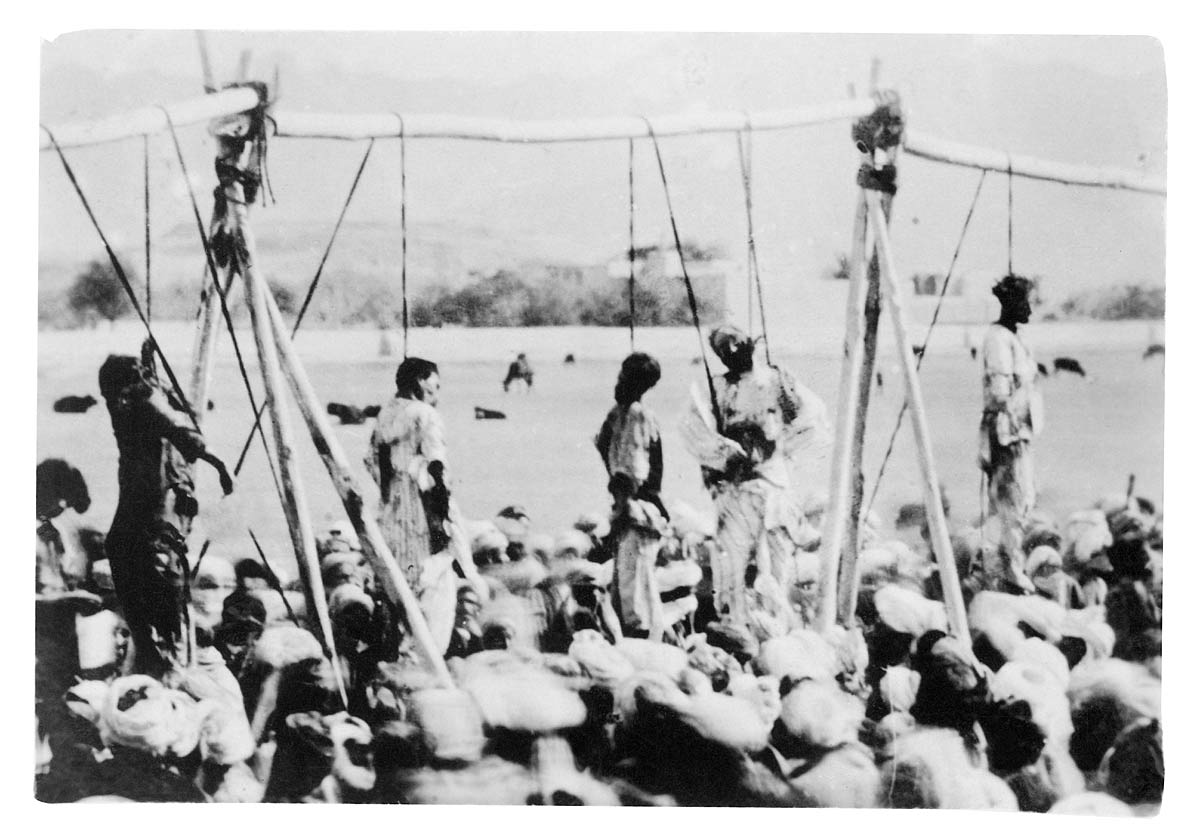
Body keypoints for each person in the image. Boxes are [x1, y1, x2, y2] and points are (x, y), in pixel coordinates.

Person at [680, 325, 829, 630]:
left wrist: (781, 445)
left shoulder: (779, 380)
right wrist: (725, 454)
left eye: (735, 342)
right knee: (731, 571)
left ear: (750, 342)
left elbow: (814, 418)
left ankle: (777, 627)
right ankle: (736, 629)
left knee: (778, 568)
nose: (731, 350)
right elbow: (691, 429)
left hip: (773, 489)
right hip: (734, 492)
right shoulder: (717, 388)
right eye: (724, 348)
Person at [98, 341, 233, 677]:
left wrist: (219, 466)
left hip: (156, 499)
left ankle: (163, 644)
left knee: (153, 562)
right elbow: (177, 426)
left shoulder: (138, 400)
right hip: (143, 495)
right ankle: (153, 643)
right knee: (129, 553)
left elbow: (179, 429)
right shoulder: (134, 401)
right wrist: (219, 465)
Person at [366, 357, 483, 654]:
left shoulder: (386, 413)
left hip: (393, 508)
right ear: (420, 381)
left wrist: (391, 488)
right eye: (436, 384)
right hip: (423, 510)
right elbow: (436, 466)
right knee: (435, 584)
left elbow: (371, 460)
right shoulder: (425, 414)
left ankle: (401, 649)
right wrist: (444, 519)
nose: (438, 392)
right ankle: (427, 655)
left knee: (401, 579)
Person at [978, 274, 1043, 592]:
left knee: (1024, 500)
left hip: (1021, 433)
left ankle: (1011, 567)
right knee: (1011, 505)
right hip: (1007, 433)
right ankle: (1009, 571)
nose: (1030, 308)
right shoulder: (998, 338)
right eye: (1025, 302)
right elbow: (999, 393)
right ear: (1011, 304)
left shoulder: (1017, 337)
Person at [594, 352, 666, 519]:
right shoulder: (618, 413)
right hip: (628, 499)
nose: (619, 379)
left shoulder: (637, 414)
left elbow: (633, 467)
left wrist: (624, 503)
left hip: (635, 499)